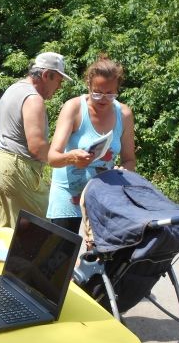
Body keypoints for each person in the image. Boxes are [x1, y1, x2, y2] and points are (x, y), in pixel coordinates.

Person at [47, 54, 136, 234]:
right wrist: (72, 157)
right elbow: (52, 158)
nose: (103, 98)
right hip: (68, 193)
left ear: (117, 89)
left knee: (102, 249)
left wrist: (123, 171)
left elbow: (129, 160)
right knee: (62, 249)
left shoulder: (124, 114)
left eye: (110, 94)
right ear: (88, 85)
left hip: (103, 194)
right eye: (97, 92)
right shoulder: (74, 108)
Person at [0, 52, 72, 228]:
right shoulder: (33, 99)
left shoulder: (14, 89)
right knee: (41, 230)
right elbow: (37, 149)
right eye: (59, 81)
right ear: (46, 75)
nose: (59, 87)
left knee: (3, 229)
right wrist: (68, 157)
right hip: (17, 168)